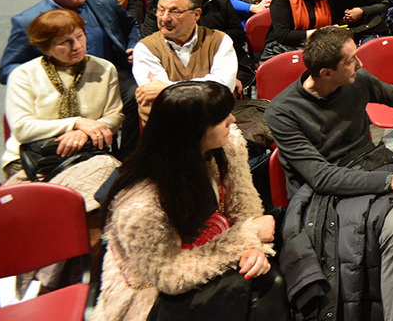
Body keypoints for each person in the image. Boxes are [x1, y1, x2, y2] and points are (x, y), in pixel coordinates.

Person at [265, 27, 393, 321]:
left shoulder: (356, 79)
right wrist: (391, 182)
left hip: (367, 169)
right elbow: (322, 177)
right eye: (351, 61)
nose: (360, 65)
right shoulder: (283, 112)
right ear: (326, 72)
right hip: (324, 197)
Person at [94, 81, 283, 321]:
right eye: (221, 118)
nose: (233, 120)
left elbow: (244, 204)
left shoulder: (229, 144)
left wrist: (253, 250)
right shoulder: (139, 204)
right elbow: (169, 275)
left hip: (211, 247)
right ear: (193, 131)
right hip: (155, 290)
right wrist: (247, 238)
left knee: (270, 279)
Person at [3, 9, 122, 185]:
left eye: (80, 36)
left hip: (87, 152)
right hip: (32, 157)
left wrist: (84, 132)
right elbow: (22, 128)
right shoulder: (23, 75)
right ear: (46, 48)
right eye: (64, 42)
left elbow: (115, 116)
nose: (77, 46)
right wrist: (75, 123)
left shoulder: (105, 69)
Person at [132, 0, 239, 122]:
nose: (165, 18)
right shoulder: (145, 48)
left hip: (212, 122)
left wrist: (168, 88)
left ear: (196, 14)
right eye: (161, 10)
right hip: (167, 125)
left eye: (175, 11)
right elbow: (158, 99)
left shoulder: (219, 40)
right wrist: (203, 91)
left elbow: (222, 88)